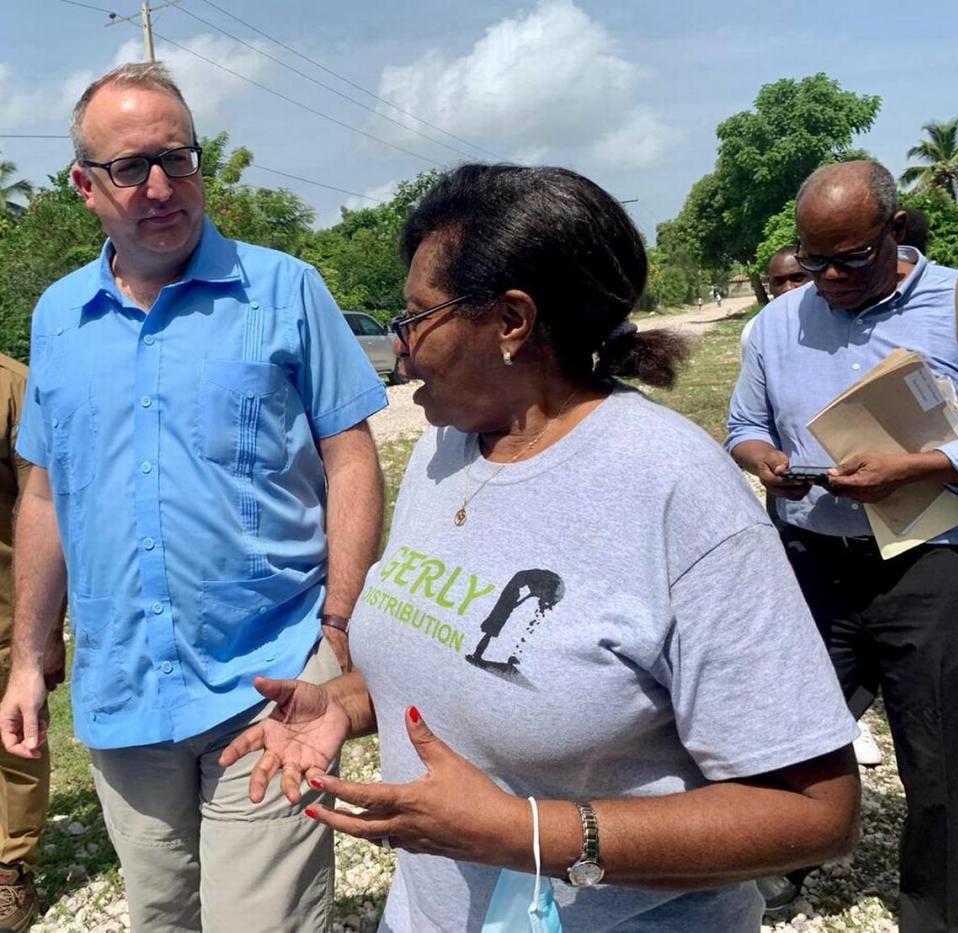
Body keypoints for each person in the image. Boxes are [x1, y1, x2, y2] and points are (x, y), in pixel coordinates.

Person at [222, 164, 860, 933]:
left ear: (513, 321)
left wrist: (530, 834)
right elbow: (454, 652)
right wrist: (346, 704)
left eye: (418, 317)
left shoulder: (674, 489)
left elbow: (817, 812)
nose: (401, 349)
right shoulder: (443, 453)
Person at [0, 63, 386, 932]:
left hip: (272, 675)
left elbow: (352, 455)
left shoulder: (285, 290)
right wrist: (30, 657)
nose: (164, 187)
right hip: (123, 689)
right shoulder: (58, 318)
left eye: (180, 158)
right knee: (162, 915)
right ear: (84, 185)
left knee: (261, 921)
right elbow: (45, 493)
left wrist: (338, 625)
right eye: (131, 167)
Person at [727, 159, 958, 933]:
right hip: (811, 562)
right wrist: (765, 461)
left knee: (937, 752)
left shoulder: (953, 301)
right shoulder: (775, 323)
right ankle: (776, 872)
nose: (827, 277)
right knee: (792, 728)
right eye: (812, 258)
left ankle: (933, 911)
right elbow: (744, 427)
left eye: (849, 260)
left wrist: (921, 466)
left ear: (895, 231)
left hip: (927, 563)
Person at [0, 352, 65, 933]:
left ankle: (9, 868)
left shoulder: (13, 390)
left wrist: (44, 636)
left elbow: (45, 511)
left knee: (13, 748)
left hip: (2, 617)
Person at [739, 246, 811, 360]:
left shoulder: (838, 321)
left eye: (797, 278)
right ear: (770, 287)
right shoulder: (755, 331)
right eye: (779, 282)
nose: (788, 288)